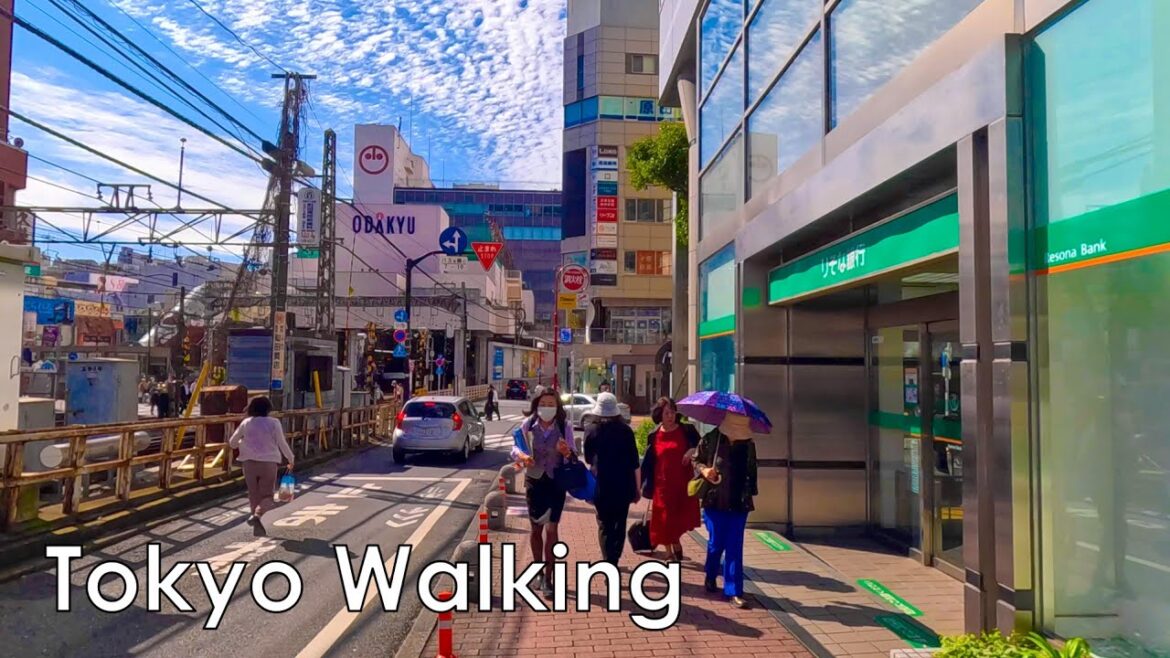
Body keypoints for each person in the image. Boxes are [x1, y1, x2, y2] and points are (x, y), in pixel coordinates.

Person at [510, 389, 575, 597]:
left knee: (552, 529)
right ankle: (538, 571)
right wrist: (522, 456)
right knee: (536, 528)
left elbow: (573, 454)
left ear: (557, 407)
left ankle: (549, 578)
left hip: (556, 482)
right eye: (543, 404)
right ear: (537, 405)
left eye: (551, 404)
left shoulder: (564, 426)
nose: (547, 408)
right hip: (535, 482)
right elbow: (515, 448)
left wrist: (566, 452)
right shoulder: (528, 424)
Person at [692, 412, 759, 609]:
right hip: (715, 500)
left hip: (739, 502)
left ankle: (734, 591)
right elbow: (696, 460)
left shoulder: (748, 444)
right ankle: (711, 574)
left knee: (734, 546)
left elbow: (752, 471)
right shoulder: (712, 438)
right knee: (716, 543)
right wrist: (704, 470)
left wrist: (750, 493)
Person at [641, 397, 701, 561]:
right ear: (660, 414)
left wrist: (691, 451)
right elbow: (648, 462)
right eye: (667, 413)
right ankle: (670, 551)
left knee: (678, 518)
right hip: (662, 484)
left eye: (673, 413)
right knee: (664, 518)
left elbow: (701, 447)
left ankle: (675, 542)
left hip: (682, 483)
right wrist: (640, 484)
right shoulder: (654, 435)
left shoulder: (686, 430)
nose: (670, 416)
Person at [583, 392, 640, 566]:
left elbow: (588, 458)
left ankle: (608, 560)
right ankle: (614, 556)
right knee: (620, 522)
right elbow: (635, 462)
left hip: (601, 485)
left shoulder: (591, 430)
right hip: (624, 484)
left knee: (604, 524)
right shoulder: (626, 431)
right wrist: (637, 489)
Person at [228, 396, 295, 527]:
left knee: (253, 494)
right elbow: (282, 443)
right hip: (268, 462)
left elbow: (232, 443)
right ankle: (257, 515)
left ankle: (255, 519)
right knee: (267, 496)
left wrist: (241, 443)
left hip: (248, 463)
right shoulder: (274, 423)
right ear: (268, 408)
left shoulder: (246, 422)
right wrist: (290, 458)